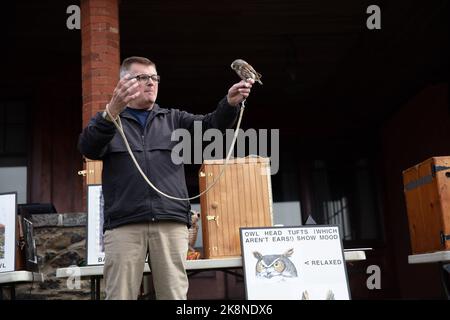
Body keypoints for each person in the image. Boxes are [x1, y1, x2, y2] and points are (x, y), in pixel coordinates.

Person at [78, 56, 253, 300]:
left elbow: (212, 126)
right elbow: (88, 148)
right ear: (123, 84)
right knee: (119, 295)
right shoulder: (108, 121)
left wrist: (230, 104)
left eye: (154, 78)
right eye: (142, 77)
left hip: (170, 222)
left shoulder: (174, 119)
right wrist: (110, 112)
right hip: (124, 224)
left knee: (173, 296)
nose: (151, 83)